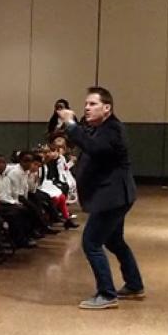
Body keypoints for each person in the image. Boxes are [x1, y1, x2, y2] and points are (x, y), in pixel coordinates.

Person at [57, 86, 144, 310]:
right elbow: (85, 140)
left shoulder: (112, 128)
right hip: (112, 195)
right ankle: (134, 284)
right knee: (114, 241)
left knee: (91, 243)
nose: (87, 107)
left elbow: (95, 148)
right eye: (86, 104)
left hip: (111, 196)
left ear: (107, 108)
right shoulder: (98, 127)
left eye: (93, 104)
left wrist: (72, 125)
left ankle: (106, 294)